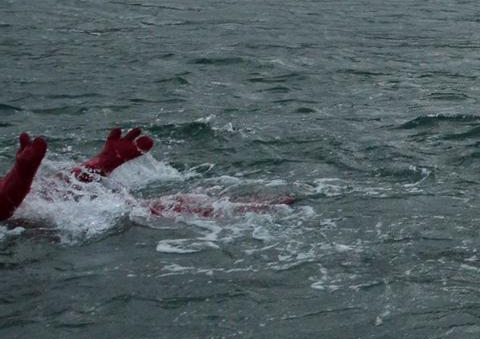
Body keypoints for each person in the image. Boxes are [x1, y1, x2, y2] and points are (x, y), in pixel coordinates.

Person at [2, 128, 290, 222]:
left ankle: (252, 208)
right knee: (149, 209)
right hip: (29, 214)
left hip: (31, 210)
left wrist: (22, 173)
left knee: (149, 208)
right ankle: (253, 208)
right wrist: (22, 172)